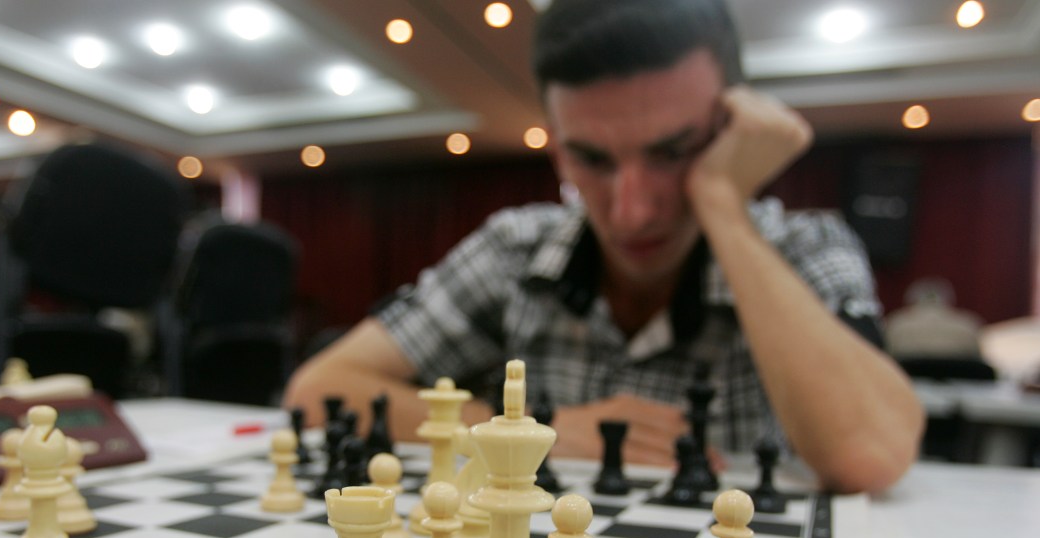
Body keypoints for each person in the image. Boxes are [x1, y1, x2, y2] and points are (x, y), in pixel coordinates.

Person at [283, 0, 924, 494]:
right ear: (558, 146)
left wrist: (724, 205)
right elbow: (317, 392)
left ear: (732, 127)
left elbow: (869, 454)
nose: (632, 208)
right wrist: (540, 435)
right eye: (591, 158)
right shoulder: (514, 248)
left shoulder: (806, 245)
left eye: (675, 152)